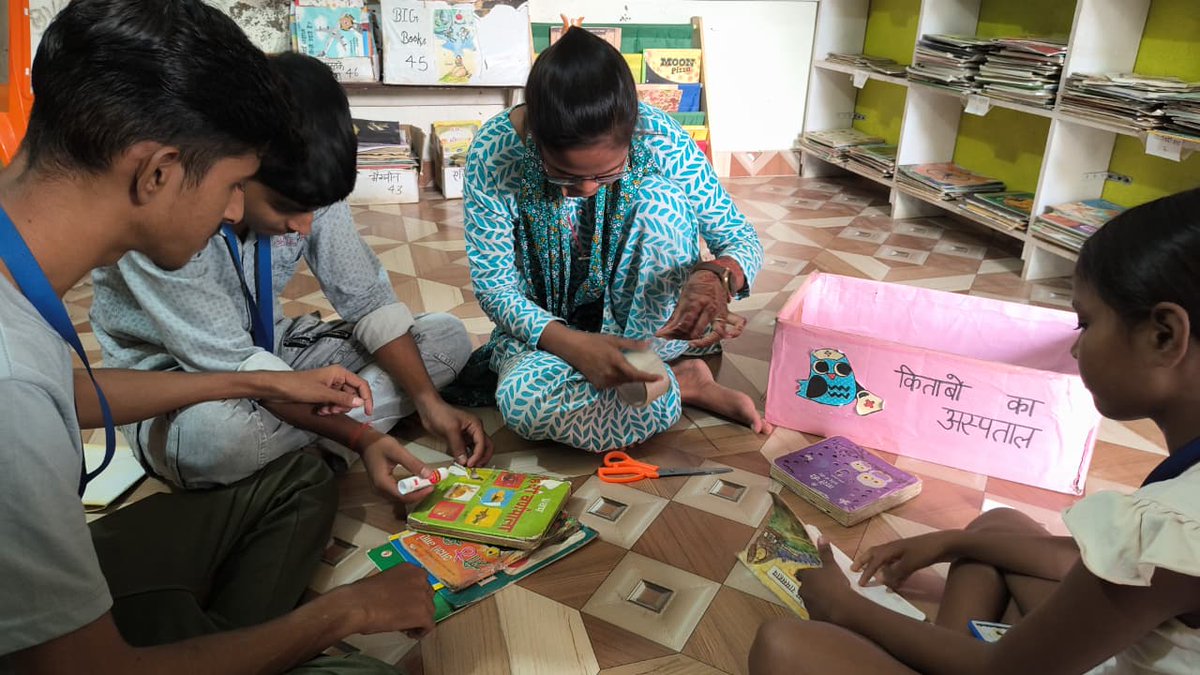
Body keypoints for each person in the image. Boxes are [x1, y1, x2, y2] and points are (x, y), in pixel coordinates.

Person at [0, 1, 435, 673]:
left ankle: (215, 639)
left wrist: (260, 380)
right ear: (158, 172)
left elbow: (73, 393)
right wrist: (344, 612)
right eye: (233, 184)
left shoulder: (20, 313)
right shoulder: (12, 388)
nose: (237, 211)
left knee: (296, 482)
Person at [750, 188, 1200, 675]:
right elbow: (1083, 563)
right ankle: (947, 649)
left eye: (1085, 324)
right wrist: (949, 542)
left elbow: (1003, 670)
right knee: (993, 528)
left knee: (783, 647)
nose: (1075, 349)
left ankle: (943, 653)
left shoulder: (1169, 525)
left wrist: (846, 607)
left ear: (1164, 336)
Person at [90, 52, 492, 499]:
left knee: (446, 338)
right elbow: (229, 364)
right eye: (287, 208)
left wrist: (430, 404)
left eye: (312, 211)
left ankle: (299, 451)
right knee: (213, 439)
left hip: (274, 351)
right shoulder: (170, 211)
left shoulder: (307, 182)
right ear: (240, 166)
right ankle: (327, 438)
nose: (303, 226)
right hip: (186, 384)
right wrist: (361, 436)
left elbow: (367, 300)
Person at [462, 25, 770, 452]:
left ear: (631, 133)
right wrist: (573, 345)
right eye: (565, 175)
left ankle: (651, 368)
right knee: (523, 403)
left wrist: (716, 276)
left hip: (648, 332)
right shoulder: (496, 153)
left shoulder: (661, 137)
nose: (588, 188)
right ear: (536, 137)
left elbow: (739, 238)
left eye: (606, 174)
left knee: (659, 202)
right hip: (548, 333)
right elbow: (495, 288)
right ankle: (679, 383)